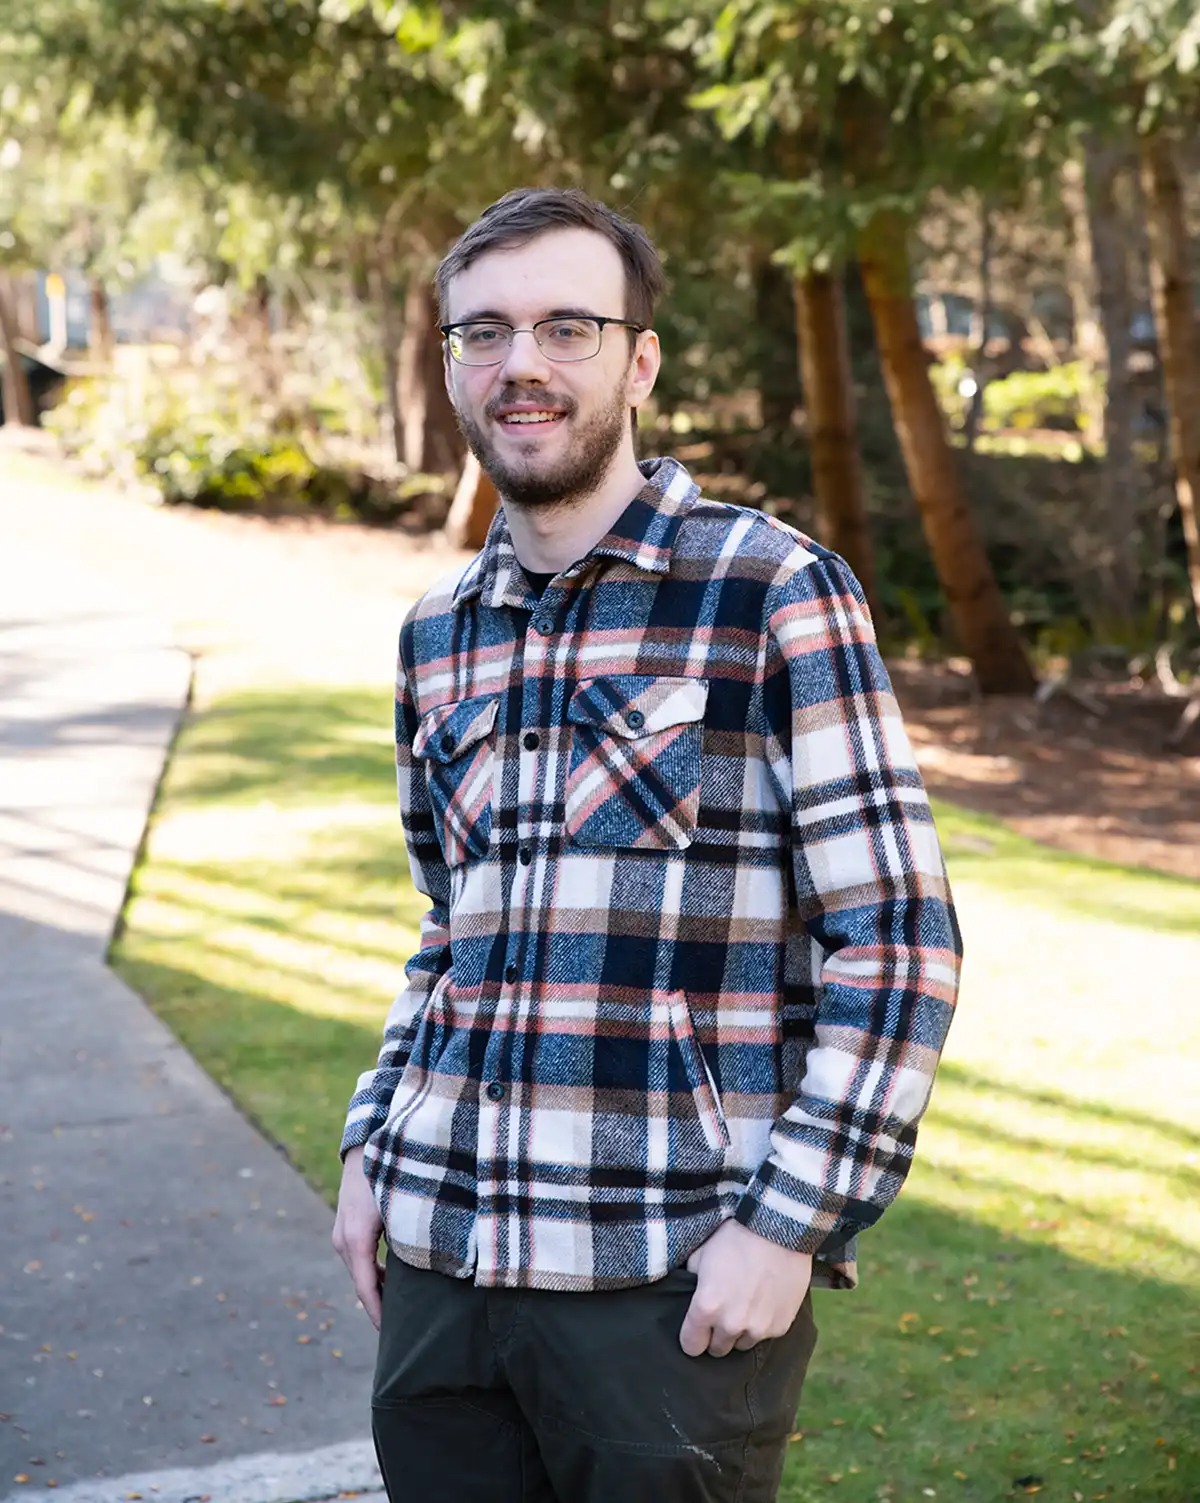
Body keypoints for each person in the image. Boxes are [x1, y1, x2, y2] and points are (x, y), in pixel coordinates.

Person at [333, 186, 962, 1503]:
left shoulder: (772, 590)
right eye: (484, 332)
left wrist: (790, 1223)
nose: (522, 363)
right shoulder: (438, 632)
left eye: (568, 327)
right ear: (451, 364)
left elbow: (898, 942)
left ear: (640, 361)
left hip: (665, 1284)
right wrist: (371, 1142)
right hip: (441, 1270)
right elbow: (451, 926)